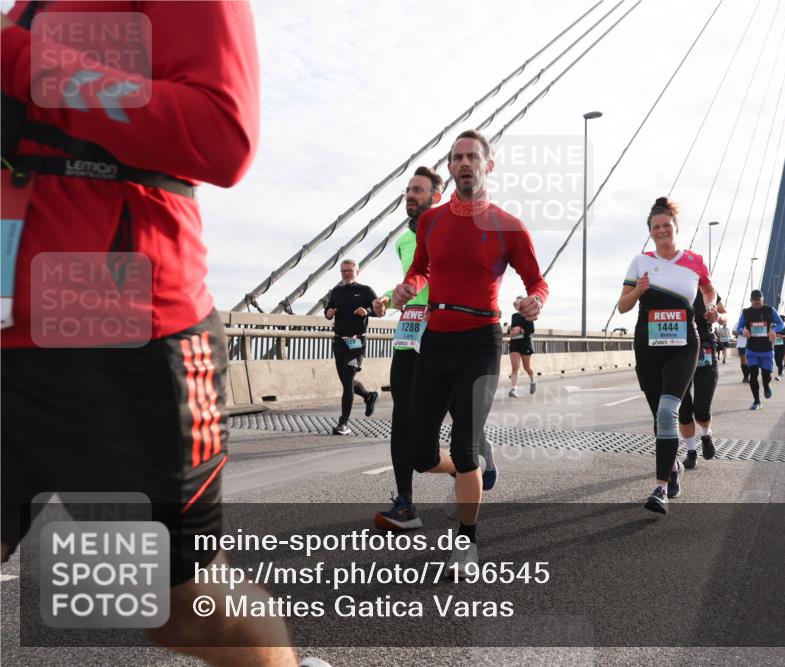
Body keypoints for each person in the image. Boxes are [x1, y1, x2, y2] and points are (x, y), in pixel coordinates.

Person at [1, 4, 329, 666]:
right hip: (10, 329)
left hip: (122, 335)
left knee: (183, 608)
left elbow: (221, 134)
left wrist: (18, 61)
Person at [392, 129, 548, 574]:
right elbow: (422, 268)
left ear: (488, 166)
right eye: (456, 158)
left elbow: (536, 280)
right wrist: (410, 286)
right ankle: (474, 468)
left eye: (471, 157)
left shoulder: (508, 225)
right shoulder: (432, 221)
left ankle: (466, 539)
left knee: (462, 447)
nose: (463, 164)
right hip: (436, 338)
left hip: (481, 340)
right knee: (420, 454)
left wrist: (534, 300)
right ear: (451, 167)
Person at [372, 167, 499, 531]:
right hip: (409, 335)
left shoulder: (452, 234)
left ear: (436, 197)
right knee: (402, 421)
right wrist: (387, 298)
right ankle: (406, 505)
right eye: (408, 190)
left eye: (418, 190)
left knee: (459, 422)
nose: (410, 195)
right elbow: (411, 282)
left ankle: (473, 458)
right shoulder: (401, 242)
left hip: (444, 335)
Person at [618, 196, 717, 513]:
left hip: (684, 344)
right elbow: (623, 306)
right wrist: (639, 290)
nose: (662, 231)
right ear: (650, 231)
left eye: (666, 226)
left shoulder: (694, 261)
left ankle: (660, 488)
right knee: (658, 418)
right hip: (647, 346)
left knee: (666, 413)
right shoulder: (640, 262)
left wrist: (711, 306)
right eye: (656, 227)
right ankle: (673, 466)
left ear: (676, 228)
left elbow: (708, 290)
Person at [324, 260, 379, 435]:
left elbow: (379, 309)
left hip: (356, 343)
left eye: (349, 271)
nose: (346, 274)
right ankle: (369, 396)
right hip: (339, 342)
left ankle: (343, 424)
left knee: (348, 376)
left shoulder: (366, 290)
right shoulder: (337, 291)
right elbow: (328, 312)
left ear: (357, 271)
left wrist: (368, 311)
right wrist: (329, 313)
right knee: (347, 382)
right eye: (343, 271)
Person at [680, 294, 724, 470]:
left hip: (704, 355)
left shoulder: (706, 290)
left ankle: (706, 435)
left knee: (701, 410)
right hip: (678, 353)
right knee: (683, 411)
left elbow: (724, 315)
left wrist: (718, 317)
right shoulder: (668, 285)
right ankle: (691, 453)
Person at [736, 289, 785, 410]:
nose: (757, 304)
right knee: (753, 375)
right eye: (755, 302)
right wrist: (743, 330)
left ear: (763, 299)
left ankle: (766, 385)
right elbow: (739, 327)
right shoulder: (746, 312)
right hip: (752, 349)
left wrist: (774, 330)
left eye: (759, 302)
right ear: (751, 301)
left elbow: (781, 324)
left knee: (765, 376)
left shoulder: (770, 310)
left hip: (767, 349)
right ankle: (756, 401)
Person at [507, 309, 537, 397]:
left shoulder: (529, 315)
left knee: (527, 367)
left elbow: (531, 330)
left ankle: (533, 381)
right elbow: (511, 330)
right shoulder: (514, 316)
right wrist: (509, 330)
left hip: (525, 343)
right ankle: (514, 389)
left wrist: (520, 330)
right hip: (514, 343)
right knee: (515, 367)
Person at [772, 315, 785, 379]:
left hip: (782, 346)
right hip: (776, 346)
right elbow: (772, 334)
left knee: (780, 360)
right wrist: (778, 335)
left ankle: (779, 374)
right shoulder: (774, 327)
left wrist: (782, 336)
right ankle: (781, 370)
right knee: (776, 360)